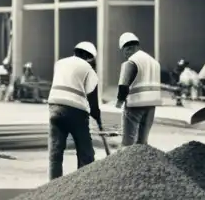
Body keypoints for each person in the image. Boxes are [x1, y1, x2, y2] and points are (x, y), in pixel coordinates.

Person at [46, 42, 102, 180]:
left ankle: (53, 186)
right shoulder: (89, 69)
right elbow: (92, 100)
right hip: (76, 111)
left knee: (55, 152)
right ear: (88, 56)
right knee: (86, 153)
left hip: (54, 107)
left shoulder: (59, 63)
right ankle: (83, 185)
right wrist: (98, 118)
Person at [114, 32, 163, 147]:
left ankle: (125, 163)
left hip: (135, 104)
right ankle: (143, 163)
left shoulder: (130, 62)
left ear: (129, 48)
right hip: (152, 104)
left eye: (124, 51)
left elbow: (123, 86)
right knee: (143, 140)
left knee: (128, 141)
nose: (125, 54)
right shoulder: (154, 62)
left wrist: (119, 102)